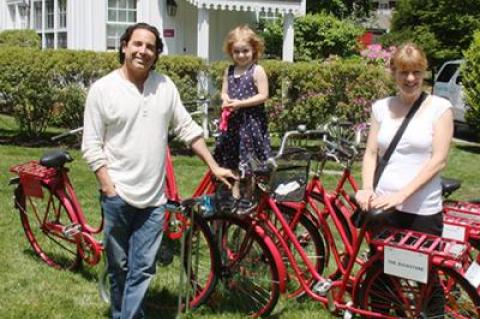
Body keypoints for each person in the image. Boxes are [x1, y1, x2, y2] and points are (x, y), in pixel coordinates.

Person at [81, 22, 235, 319]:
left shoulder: (164, 86)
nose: (143, 51)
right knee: (119, 268)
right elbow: (91, 145)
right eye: (137, 44)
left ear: (157, 53)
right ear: (124, 46)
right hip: (117, 197)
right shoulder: (103, 89)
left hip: (153, 199)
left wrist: (214, 167)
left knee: (143, 268)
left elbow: (187, 129)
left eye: (150, 46)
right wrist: (108, 187)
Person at [355, 42, 454, 316]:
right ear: (393, 73)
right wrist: (366, 188)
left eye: (417, 72)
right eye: (403, 72)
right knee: (383, 273)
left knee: (425, 277)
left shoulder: (440, 108)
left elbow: (439, 160)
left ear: (425, 73)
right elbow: (371, 153)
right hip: (384, 207)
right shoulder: (380, 108)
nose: (410, 79)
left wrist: (402, 195)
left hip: (421, 209)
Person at [213, 25, 271, 214]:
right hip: (233, 124)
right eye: (236, 51)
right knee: (233, 158)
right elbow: (223, 92)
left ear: (254, 49)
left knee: (251, 160)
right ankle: (234, 192)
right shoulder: (229, 71)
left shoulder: (257, 70)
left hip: (251, 124)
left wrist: (241, 103)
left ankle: (250, 195)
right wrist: (226, 100)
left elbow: (263, 95)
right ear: (231, 52)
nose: (241, 55)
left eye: (245, 50)